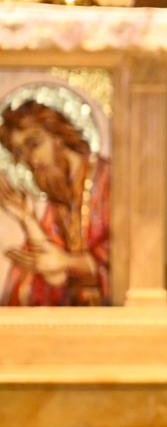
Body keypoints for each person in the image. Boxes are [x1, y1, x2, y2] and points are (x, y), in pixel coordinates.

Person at [0, 99, 110, 306]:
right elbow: (54, 274)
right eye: (20, 153)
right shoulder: (60, 194)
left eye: (34, 143)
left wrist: (68, 262)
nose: (31, 159)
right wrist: (27, 218)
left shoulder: (109, 179)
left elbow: (123, 260)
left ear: (59, 134)